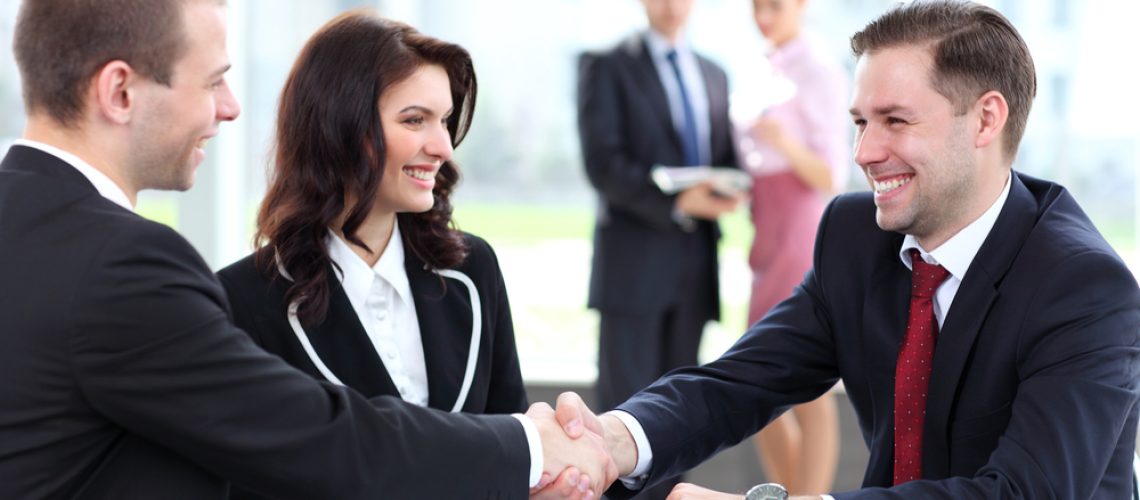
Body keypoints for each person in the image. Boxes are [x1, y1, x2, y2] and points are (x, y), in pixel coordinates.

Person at [0, 0, 614, 498]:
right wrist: (530, 445)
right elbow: (322, 441)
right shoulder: (127, 266)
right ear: (120, 92)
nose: (231, 108)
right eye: (213, 81)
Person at [550, 1, 1140, 498]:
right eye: (859, 122)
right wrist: (615, 440)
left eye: (895, 121)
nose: (862, 152)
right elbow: (738, 382)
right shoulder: (856, 236)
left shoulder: (1084, 287)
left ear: (986, 120)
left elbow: (1023, 493)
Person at [214, 11, 531, 499]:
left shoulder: (474, 268)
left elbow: (515, 448)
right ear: (340, 124)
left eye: (444, 120)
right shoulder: (243, 301)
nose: (443, 146)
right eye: (415, 120)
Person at [576, 0, 742, 495]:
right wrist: (675, 203)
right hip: (633, 271)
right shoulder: (607, 65)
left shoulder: (714, 72)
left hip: (695, 269)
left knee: (682, 416)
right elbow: (602, 165)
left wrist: (728, 188)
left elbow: (726, 155)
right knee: (622, 417)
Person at [738, 0, 848, 494]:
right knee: (755, 379)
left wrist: (784, 143)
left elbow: (831, 173)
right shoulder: (761, 65)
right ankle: (791, 492)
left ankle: (808, 495)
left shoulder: (819, 69)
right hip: (765, 222)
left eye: (774, 6)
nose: (763, 16)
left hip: (799, 224)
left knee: (803, 377)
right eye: (756, 6)